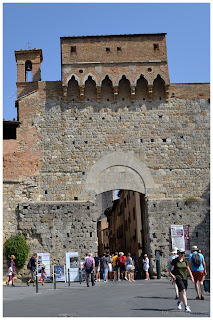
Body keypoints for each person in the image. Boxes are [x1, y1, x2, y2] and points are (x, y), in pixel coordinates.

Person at [169, 248, 194, 313]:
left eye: (183, 253)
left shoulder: (185, 261)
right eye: (182, 253)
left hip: (185, 278)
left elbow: (188, 269)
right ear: (178, 253)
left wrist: (191, 277)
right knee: (183, 291)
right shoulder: (175, 260)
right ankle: (186, 307)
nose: (183, 254)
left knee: (182, 293)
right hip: (178, 277)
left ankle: (179, 302)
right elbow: (169, 268)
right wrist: (171, 275)